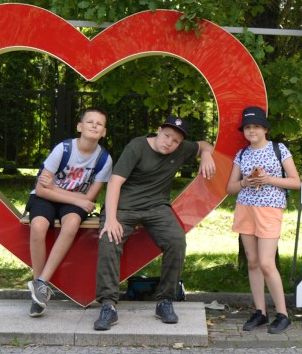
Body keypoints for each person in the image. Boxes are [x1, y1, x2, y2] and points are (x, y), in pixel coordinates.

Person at [93, 116, 215, 331]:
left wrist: (206, 155)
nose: (169, 142)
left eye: (175, 140)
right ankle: (108, 305)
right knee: (109, 240)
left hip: (157, 208)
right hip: (124, 207)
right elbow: (114, 182)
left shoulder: (180, 149)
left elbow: (204, 145)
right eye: (167, 136)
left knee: (176, 240)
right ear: (159, 130)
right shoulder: (137, 147)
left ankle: (165, 300)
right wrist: (110, 219)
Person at [26, 108, 112, 317]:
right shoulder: (63, 149)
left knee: (72, 223)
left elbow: (89, 198)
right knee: (38, 225)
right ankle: (38, 288)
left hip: (69, 202)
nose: (94, 126)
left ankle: (42, 282)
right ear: (80, 127)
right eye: (90, 122)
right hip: (46, 198)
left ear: (103, 132)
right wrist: (74, 198)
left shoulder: (104, 159)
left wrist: (55, 188)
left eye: (99, 124)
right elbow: (41, 190)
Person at [226, 106, 300, 334]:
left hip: (270, 209)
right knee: (253, 261)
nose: (252, 131)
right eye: (247, 127)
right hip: (245, 207)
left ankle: (283, 314)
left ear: (265, 129)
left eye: (256, 126)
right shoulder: (242, 154)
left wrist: (268, 179)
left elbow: (296, 182)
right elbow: (230, 188)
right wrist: (244, 182)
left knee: (267, 263)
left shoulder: (279, 149)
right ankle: (261, 312)